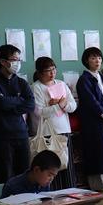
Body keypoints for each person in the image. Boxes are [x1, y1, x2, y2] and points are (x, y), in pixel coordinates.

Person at [0, 44, 35, 183]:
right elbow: (0, 103)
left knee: (24, 175)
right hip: (2, 136)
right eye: (14, 60)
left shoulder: (21, 82)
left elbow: (31, 104)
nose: (18, 63)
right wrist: (19, 100)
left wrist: (11, 107)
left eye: (19, 60)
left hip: (21, 133)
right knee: (5, 175)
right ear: (3, 62)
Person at [76, 47, 103, 191]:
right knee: (96, 154)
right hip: (94, 123)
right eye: (93, 58)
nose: (97, 61)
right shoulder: (84, 80)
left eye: (99, 58)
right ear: (86, 61)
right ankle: (100, 187)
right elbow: (91, 102)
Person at [31, 57, 77, 189]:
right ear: (40, 73)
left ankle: (69, 193)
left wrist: (63, 105)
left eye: (54, 69)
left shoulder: (61, 84)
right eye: (48, 71)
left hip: (64, 130)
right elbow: (39, 112)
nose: (52, 73)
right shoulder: (36, 87)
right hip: (46, 134)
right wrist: (57, 105)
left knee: (66, 165)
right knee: (50, 169)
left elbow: (73, 106)